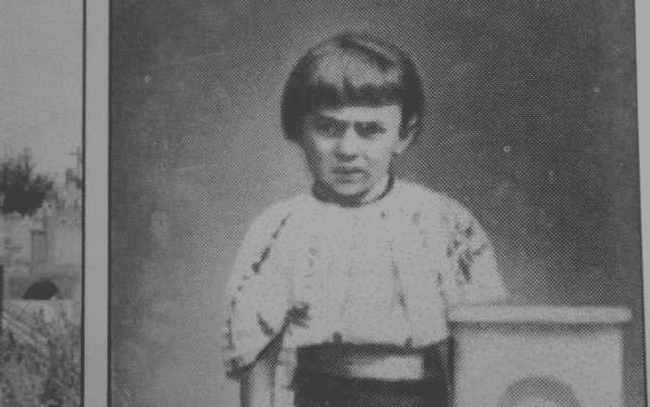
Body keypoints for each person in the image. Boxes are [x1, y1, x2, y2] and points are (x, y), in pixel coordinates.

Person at [222, 32, 507, 407]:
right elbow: (256, 355)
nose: (348, 150)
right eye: (328, 128)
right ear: (298, 130)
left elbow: (484, 346)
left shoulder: (441, 222)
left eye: (370, 130)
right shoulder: (282, 228)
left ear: (403, 135)